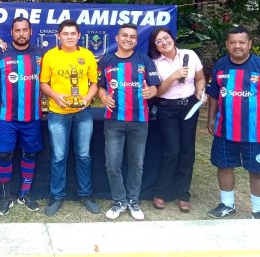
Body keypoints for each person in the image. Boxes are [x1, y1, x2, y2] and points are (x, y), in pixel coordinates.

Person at [206, 25, 260, 219]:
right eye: (233, 42)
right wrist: (211, 118)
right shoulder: (220, 66)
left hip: (254, 132)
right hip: (224, 130)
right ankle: (227, 204)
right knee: (224, 166)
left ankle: (258, 210)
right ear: (227, 45)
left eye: (241, 42)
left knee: (256, 171)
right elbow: (214, 95)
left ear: (249, 44)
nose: (237, 46)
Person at [98, 23, 160, 221]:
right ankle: (119, 201)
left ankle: (133, 200)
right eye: (124, 35)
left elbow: (154, 88)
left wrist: (151, 91)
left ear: (136, 40)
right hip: (113, 121)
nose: (128, 39)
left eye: (132, 36)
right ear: (117, 38)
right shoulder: (106, 60)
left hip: (139, 121)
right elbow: (99, 86)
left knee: (136, 164)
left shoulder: (145, 60)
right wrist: (103, 95)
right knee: (112, 164)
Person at [39, 19, 100, 217]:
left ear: (79, 36)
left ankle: (85, 194)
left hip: (83, 113)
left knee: (84, 155)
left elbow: (94, 83)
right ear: (59, 36)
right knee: (58, 157)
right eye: (66, 33)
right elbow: (43, 84)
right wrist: (56, 96)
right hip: (58, 113)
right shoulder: (50, 56)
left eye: (73, 33)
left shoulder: (87, 55)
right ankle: (57, 196)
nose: (70, 37)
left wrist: (87, 99)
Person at [0, 17, 44, 215]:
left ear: (31, 31)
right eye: (17, 30)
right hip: (6, 117)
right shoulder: (1, 53)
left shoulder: (41, 54)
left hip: (33, 116)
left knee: (30, 153)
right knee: (4, 154)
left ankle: (25, 194)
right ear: (11, 33)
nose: (21, 33)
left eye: (24, 30)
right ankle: (5, 196)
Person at [147, 27, 206, 213]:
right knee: (171, 150)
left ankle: (183, 194)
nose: (164, 42)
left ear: (172, 38)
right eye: (159, 41)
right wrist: (173, 76)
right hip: (167, 108)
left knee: (187, 150)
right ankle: (161, 192)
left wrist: (200, 90)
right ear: (155, 46)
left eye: (166, 38)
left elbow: (201, 78)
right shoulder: (155, 63)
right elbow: (157, 91)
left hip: (189, 106)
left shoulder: (189, 55)